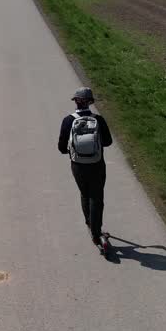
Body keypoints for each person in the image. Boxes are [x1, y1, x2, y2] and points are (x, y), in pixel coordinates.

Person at [57, 87, 114, 252]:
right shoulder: (99, 120)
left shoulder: (68, 120)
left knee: (85, 193)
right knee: (97, 197)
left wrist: (74, 149)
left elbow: (61, 147)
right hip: (97, 165)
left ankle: (89, 223)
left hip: (78, 165)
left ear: (75, 101)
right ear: (90, 102)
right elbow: (108, 142)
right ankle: (97, 232)